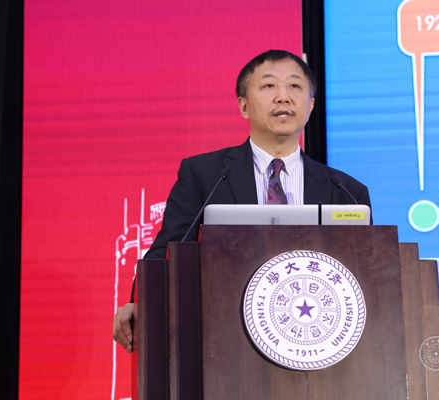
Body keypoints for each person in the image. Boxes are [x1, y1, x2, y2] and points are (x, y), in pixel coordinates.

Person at [112, 50, 371, 353]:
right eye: (269, 86)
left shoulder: (346, 192)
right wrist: (138, 302)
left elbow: (365, 274)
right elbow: (167, 249)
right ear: (244, 106)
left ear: (311, 105)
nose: (283, 97)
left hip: (315, 342)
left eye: (295, 86)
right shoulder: (205, 175)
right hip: (223, 341)